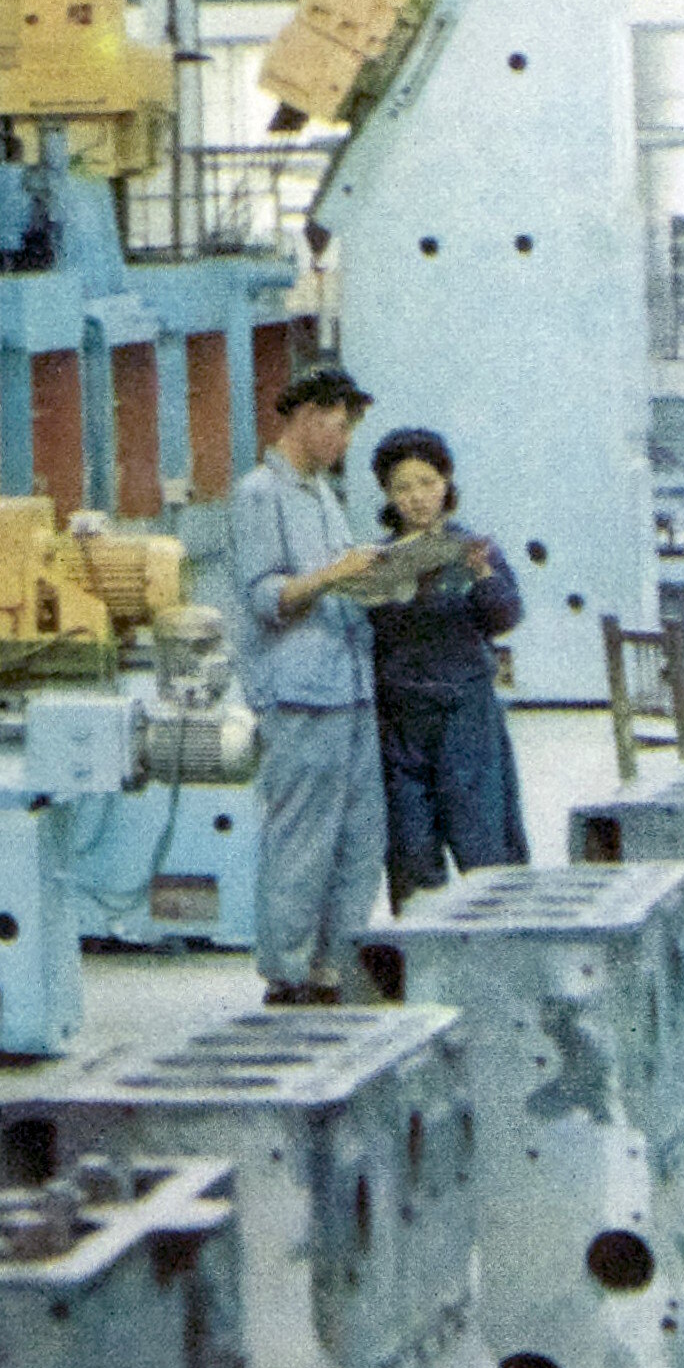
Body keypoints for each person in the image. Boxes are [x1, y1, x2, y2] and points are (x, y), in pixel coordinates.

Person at [225, 358, 386, 1007]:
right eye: (340, 428)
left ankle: (334, 964)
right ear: (309, 417)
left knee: (359, 834)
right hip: (299, 692)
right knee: (302, 836)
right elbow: (266, 596)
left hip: (350, 686)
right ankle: (288, 972)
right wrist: (335, 575)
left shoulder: (322, 493)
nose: (345, 443)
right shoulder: (259, 494)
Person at [364, 424, 529, 894]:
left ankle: (500, 935)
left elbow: (506, 616)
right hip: (400, 720)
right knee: (411, 849)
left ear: (446, 483)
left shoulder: (474, 549)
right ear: (388, 495)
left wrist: (483, 575)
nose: (417, 497)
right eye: (403, 487)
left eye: (427, 482)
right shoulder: (375, 559)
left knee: (485, 845)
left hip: (465, 716)